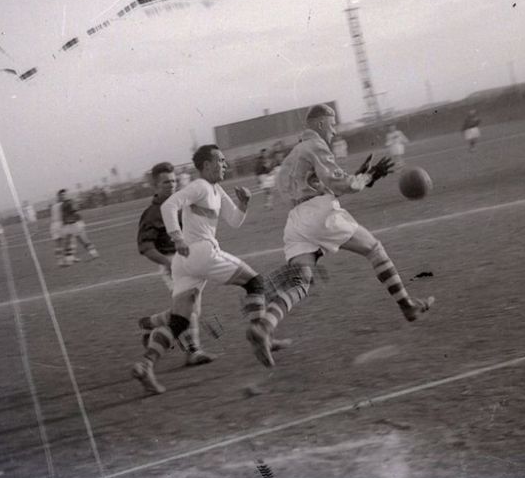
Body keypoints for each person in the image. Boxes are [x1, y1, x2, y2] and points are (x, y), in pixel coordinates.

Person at [245, 104, 435, 369]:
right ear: (321, 124)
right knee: (375, 249)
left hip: (296, 223)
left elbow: (321, 188)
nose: (334, 131)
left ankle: (264, 327)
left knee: (301, 282)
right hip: (318, 215)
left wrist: (361, 177)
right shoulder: (316, 146)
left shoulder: (293, 156)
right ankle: (407, 306)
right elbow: (337, 185)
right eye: (332, 125)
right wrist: (365, 178)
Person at [131, 145, 276, 394]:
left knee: (179, 321)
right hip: (201, 252)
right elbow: (168, 207)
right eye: (220, 161)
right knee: (255, 282)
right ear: (207, 165)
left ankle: (145, 365)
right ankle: (258, 331)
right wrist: (177, 237)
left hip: (184, 262)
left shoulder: (216, 190)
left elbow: (234, 221)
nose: (225, 165)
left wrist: (244, 203)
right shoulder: (199, 186)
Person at [135, 162, 216, 366]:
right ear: (155, 185)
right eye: (165, 182)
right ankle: (193, 352)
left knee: (193, 311)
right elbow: (145, 246)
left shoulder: (182, 204)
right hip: (172, 262)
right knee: (188, 307)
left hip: (191, 259)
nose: (170, 185)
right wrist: (167, 263)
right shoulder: (152, 213)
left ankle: (152, 323)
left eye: (173, 181)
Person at [60, 189, 99, 263]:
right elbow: (64, 216)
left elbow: (75, 210)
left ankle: (94, 253)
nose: (63, 196)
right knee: (68, 242)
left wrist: (73, 207)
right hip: (69, 225)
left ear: (67, 195)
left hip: (75, 223)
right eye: (61, 195)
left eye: (64, 195)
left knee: (83, 240)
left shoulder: (70, 202)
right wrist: (64, 223)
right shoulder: (62, 205)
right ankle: (70, 259)